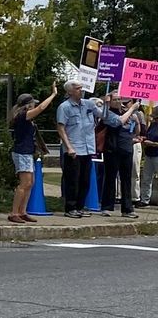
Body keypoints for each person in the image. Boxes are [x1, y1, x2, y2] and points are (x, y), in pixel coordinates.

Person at [7, 84, 58, 223]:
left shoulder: (25, 117)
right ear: (28, 105)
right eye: (32, 103)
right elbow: (41, 108)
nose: (34, 105)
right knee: (24, 183)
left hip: (27, 151)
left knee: (30, 183)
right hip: (22, 152)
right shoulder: (23, 116)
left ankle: (22, 211)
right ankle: (14, 212)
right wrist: (53, 95)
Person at [56, 79, 99, 218]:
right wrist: (69, 147)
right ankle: (70, 207)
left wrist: (107, 104)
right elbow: (61, 128)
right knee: (72, 180)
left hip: (88, 148)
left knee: (85, 180)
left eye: (81, 88)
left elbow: (103, 115)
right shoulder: (64, 107)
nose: (81, 90)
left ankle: (80, 206)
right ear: (70, 92)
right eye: (78, 88)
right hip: (74, 149)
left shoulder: (88, 104)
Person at [99, 91, 141, 218]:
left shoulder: (127, 113)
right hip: (112, 149)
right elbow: (118, 122)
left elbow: (136, 131)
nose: (118, 102)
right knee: (110, 178)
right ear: (109, 101)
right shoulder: (107, 113)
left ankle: (127, 208)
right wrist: (132, 108)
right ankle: (107, 206)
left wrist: (136, 121)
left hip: (126, 149)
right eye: (115, 100)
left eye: (119, 99)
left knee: (126, 179)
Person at [140, 108, 158, 207]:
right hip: (149, 154)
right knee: (146, 178)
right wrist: (144, 139)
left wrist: (153, 144)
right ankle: (145, 200)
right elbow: (148, 135)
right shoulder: (153, 125)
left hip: (156, 154)